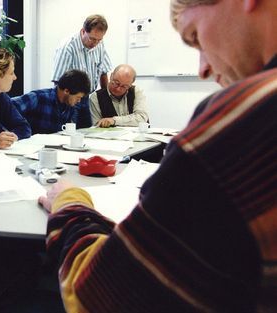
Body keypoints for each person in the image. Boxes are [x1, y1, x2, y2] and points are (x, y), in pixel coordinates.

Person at [39, 0, 277, 312]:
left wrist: (69, 200)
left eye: (195, 37)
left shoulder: (246, 118)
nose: (203, 69)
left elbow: (98, 294)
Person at [52, 14, 113, 129]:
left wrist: (106, 100)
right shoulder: (67, 47)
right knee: (70, 133)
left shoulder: (99, 45)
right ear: (83, 31)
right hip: (70, 98)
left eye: (99, 40)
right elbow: (58, 82)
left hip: (86, 97)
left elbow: (103, 72)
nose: (95, 43)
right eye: (92, 39)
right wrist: (63, 107)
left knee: (87, 131)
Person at [11, 69, 91, 134]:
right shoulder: (38, 97)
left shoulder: (68, 105)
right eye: (78, 97)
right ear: (66, 91)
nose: (79, 101)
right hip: (30, 147)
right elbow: (7, 106)